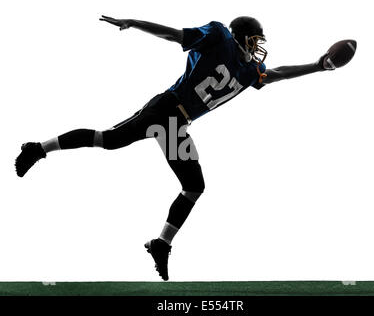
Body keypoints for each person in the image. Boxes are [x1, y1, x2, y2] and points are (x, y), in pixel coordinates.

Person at [15, 16, 338, 281]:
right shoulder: (220, 36)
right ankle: (37, 148)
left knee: (193, 186)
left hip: (176, 125)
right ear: (242, 36)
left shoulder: (246, 71)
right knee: (107, 140)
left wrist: (318, 65)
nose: (258, 47)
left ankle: (160, 243)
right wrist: (134, 23)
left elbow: (277, 73)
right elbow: (175, 35)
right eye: (255, 39)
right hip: (165, 110)